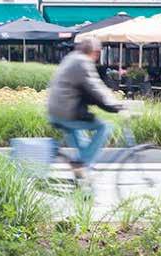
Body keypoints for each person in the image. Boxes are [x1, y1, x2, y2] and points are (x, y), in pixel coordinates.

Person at [48, 38, 123, 178]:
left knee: (83, 145)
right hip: (67, 112)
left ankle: (82, 181)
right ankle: (82, 165)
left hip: (57, 110)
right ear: (94, 52)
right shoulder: (83, 62)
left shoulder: (72, 58)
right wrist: (117, 105)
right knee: (104, 127)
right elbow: (95, 87)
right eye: (98, 53)